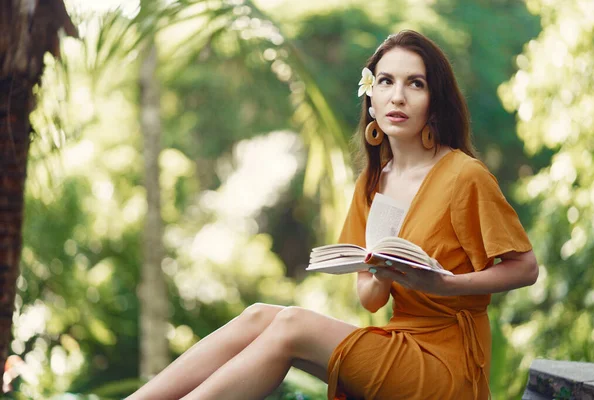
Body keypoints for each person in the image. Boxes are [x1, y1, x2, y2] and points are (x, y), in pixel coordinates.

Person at [127, 30, 538, 400]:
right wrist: (384, 268)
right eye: (386, 82)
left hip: (449, 367)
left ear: (434, 103)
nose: (398, 96)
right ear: (371, 100)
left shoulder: (464, 175)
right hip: (399, 340)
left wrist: (445, 284)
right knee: (258, 316)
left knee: (291, 325)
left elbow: (525, 268)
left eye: (416, 83)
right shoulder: (374, 181)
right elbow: (371, 300)